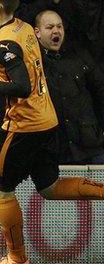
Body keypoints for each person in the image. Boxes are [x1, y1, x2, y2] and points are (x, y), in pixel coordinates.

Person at [0, 0, 104, 264]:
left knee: (2, 189)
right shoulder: (22, 27)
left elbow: (21, 86)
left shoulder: (5, 42)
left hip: (24, 125)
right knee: (48, 186)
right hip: (47, 119)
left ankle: (17, 260)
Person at [35, 10, 104, 164]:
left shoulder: (80, 56)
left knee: (97, 188)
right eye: (50, 27)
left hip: (89, 145)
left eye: (59, 27)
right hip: (54, 148)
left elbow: (100, 92)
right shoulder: (32, 62)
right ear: (37, 33)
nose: (56, 30)